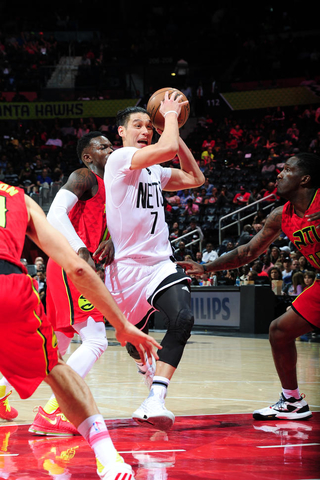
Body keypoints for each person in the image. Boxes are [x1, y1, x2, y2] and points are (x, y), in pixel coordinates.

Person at [0, 180, 161, 479]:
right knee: (59, 367)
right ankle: (109, 460)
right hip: (10, 285)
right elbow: (77, 266)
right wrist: (122, 324)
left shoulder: (110, 188)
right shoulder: (18, 198)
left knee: (62, 346)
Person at [177, 152, 320, 421]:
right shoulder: (281, 216)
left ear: (305, 179)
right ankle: (292, 401)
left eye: (287, 169)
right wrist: (206, 268)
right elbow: (247, 253)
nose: (279, 174)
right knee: (279, 331)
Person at [103, 91, 205, 430]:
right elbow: (166, 150)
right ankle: (144, 367)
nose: (145, 130)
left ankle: (155, 399)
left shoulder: (156, 170)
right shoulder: (119, 159)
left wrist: (170, 129)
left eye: (150, 125)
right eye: (138, 125)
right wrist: (170, 118)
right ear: (121, 132)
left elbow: (195, 179)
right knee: (137, 345)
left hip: (160, 263)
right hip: (127, 273)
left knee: (183, 318)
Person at [26, 131, 116, 435]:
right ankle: (53, 410)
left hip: (64, 267)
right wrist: (81, 251)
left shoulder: (111, 187)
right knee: (96, 340)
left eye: (111, 145)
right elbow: (55, 213)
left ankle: (2, 389)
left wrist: (111, 240)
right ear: (88, 157)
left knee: (57, 344)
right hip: (70, 265)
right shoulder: (84, 175)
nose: (110, 149)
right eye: (102, 146)